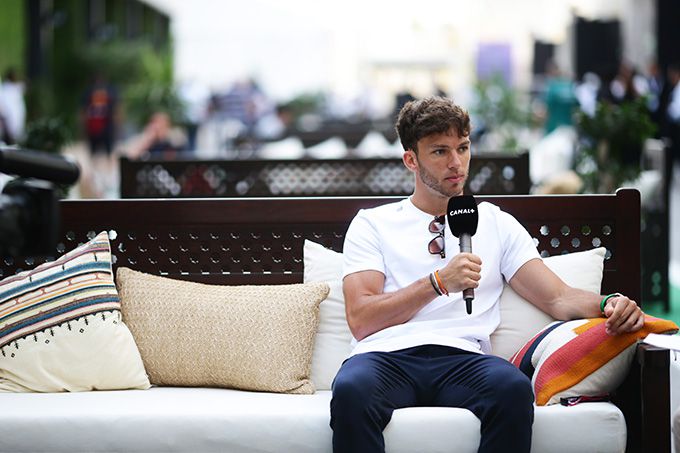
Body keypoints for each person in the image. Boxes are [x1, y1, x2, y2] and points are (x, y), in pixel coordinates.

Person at [330, 96, 645, 453]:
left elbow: (558, 297)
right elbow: (362, 319)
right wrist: (437, 283)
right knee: (351, 390)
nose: (456, 163)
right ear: (411, 160)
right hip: (385, 357)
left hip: (462, 357)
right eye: (440, 151)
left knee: (512, 390)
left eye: (463, 148)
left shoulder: (497, 223)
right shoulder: (373, 223)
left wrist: (609, 303)